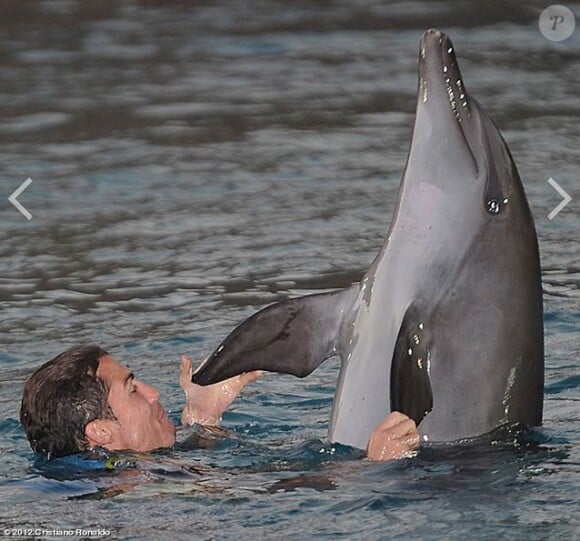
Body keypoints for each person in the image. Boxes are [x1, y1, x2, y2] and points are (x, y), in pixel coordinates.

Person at [20, 345, 419, 462]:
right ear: (102, 433)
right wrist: (373, 468)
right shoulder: (138, 501)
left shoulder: (144, 474)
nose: (155, 392)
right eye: (133, 389)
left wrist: (204, 421)